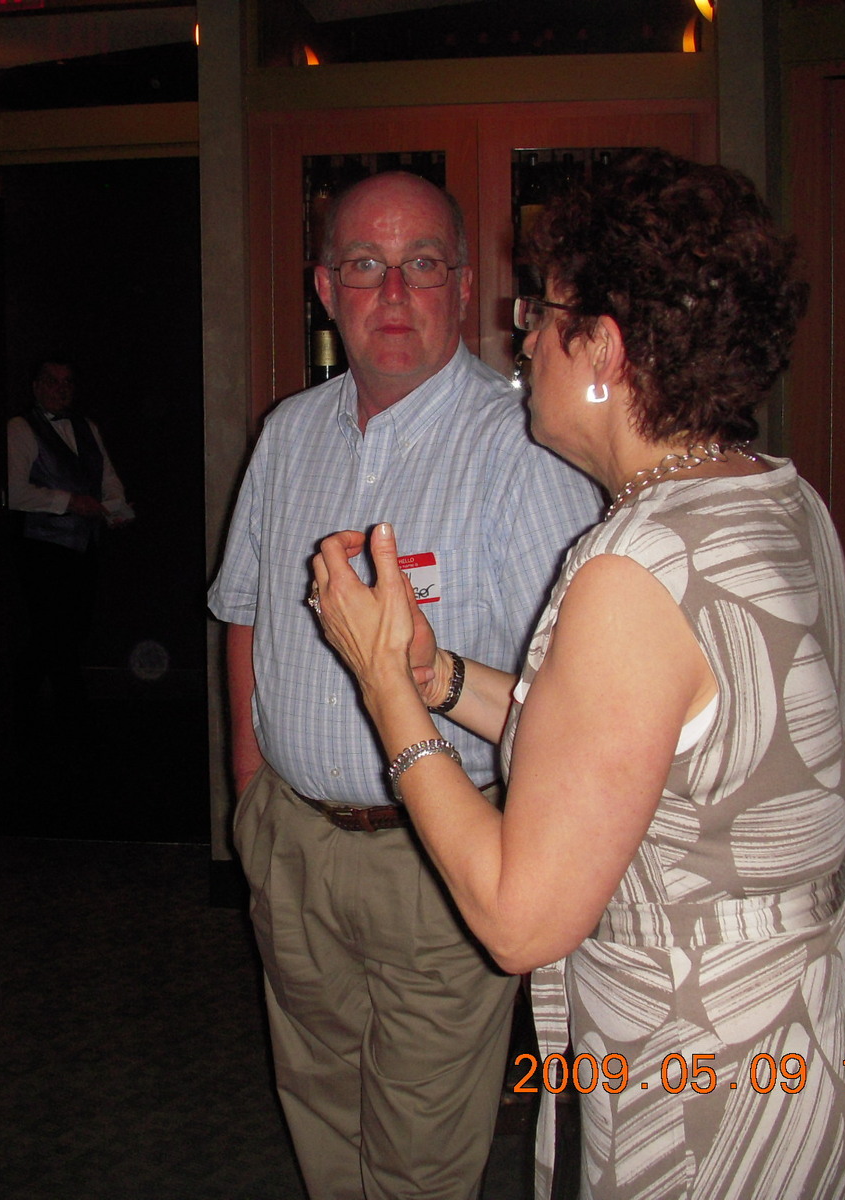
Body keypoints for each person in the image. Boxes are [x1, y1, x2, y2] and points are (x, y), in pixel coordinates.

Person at [310, 150, 845, 1199]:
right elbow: (626, 750)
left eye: (540, 314)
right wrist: (438, 675)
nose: (521, 339)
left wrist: (383, 691)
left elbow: (519, 919)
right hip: (823, 1028)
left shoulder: (635, 566)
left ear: (606, 346)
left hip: (713, 1080)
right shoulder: (772, 494)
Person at [207, 170, 598, 1199]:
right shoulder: (288, 433)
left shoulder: (525, 448)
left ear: (462, 287)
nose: (391, 294)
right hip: (293, 839)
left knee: (419, 1151)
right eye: (364, 266)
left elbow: (571, 697)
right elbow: (243, 609)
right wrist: (250, 787)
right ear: (323, 289)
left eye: (420, 265)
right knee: (320, 1106)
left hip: (441, 857)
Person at [5, 356, 135, 713]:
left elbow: (109, 480)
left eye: (67, 383)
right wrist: (70, 502)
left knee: (70, 635)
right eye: (52, 381)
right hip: (42, 549)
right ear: (36, 386)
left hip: (84, 548)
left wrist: (115, 508)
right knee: (54, 637)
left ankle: (23, 708)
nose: (60, 389)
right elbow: (14, 492)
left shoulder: (87, 427)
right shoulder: (20, 428)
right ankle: (69, 716)